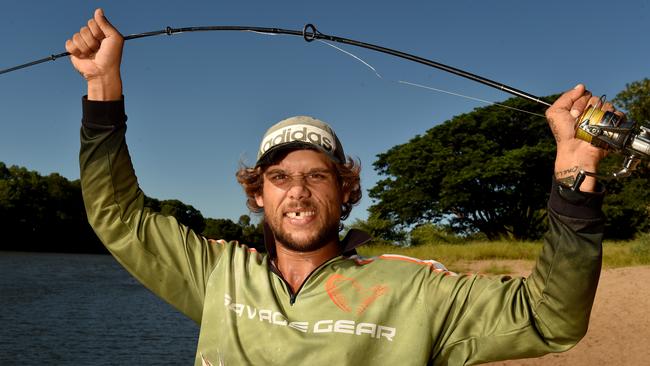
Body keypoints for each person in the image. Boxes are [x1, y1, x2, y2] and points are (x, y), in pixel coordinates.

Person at [68, 8, 612, 366]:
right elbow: (116, 213)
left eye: (317, 176)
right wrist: (101, 86)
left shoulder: (413, 289)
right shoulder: (217, 274)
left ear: (346, 190)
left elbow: (550, 318)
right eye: (279, 177)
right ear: (258, 194)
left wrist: (575, 176)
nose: (297, 191)